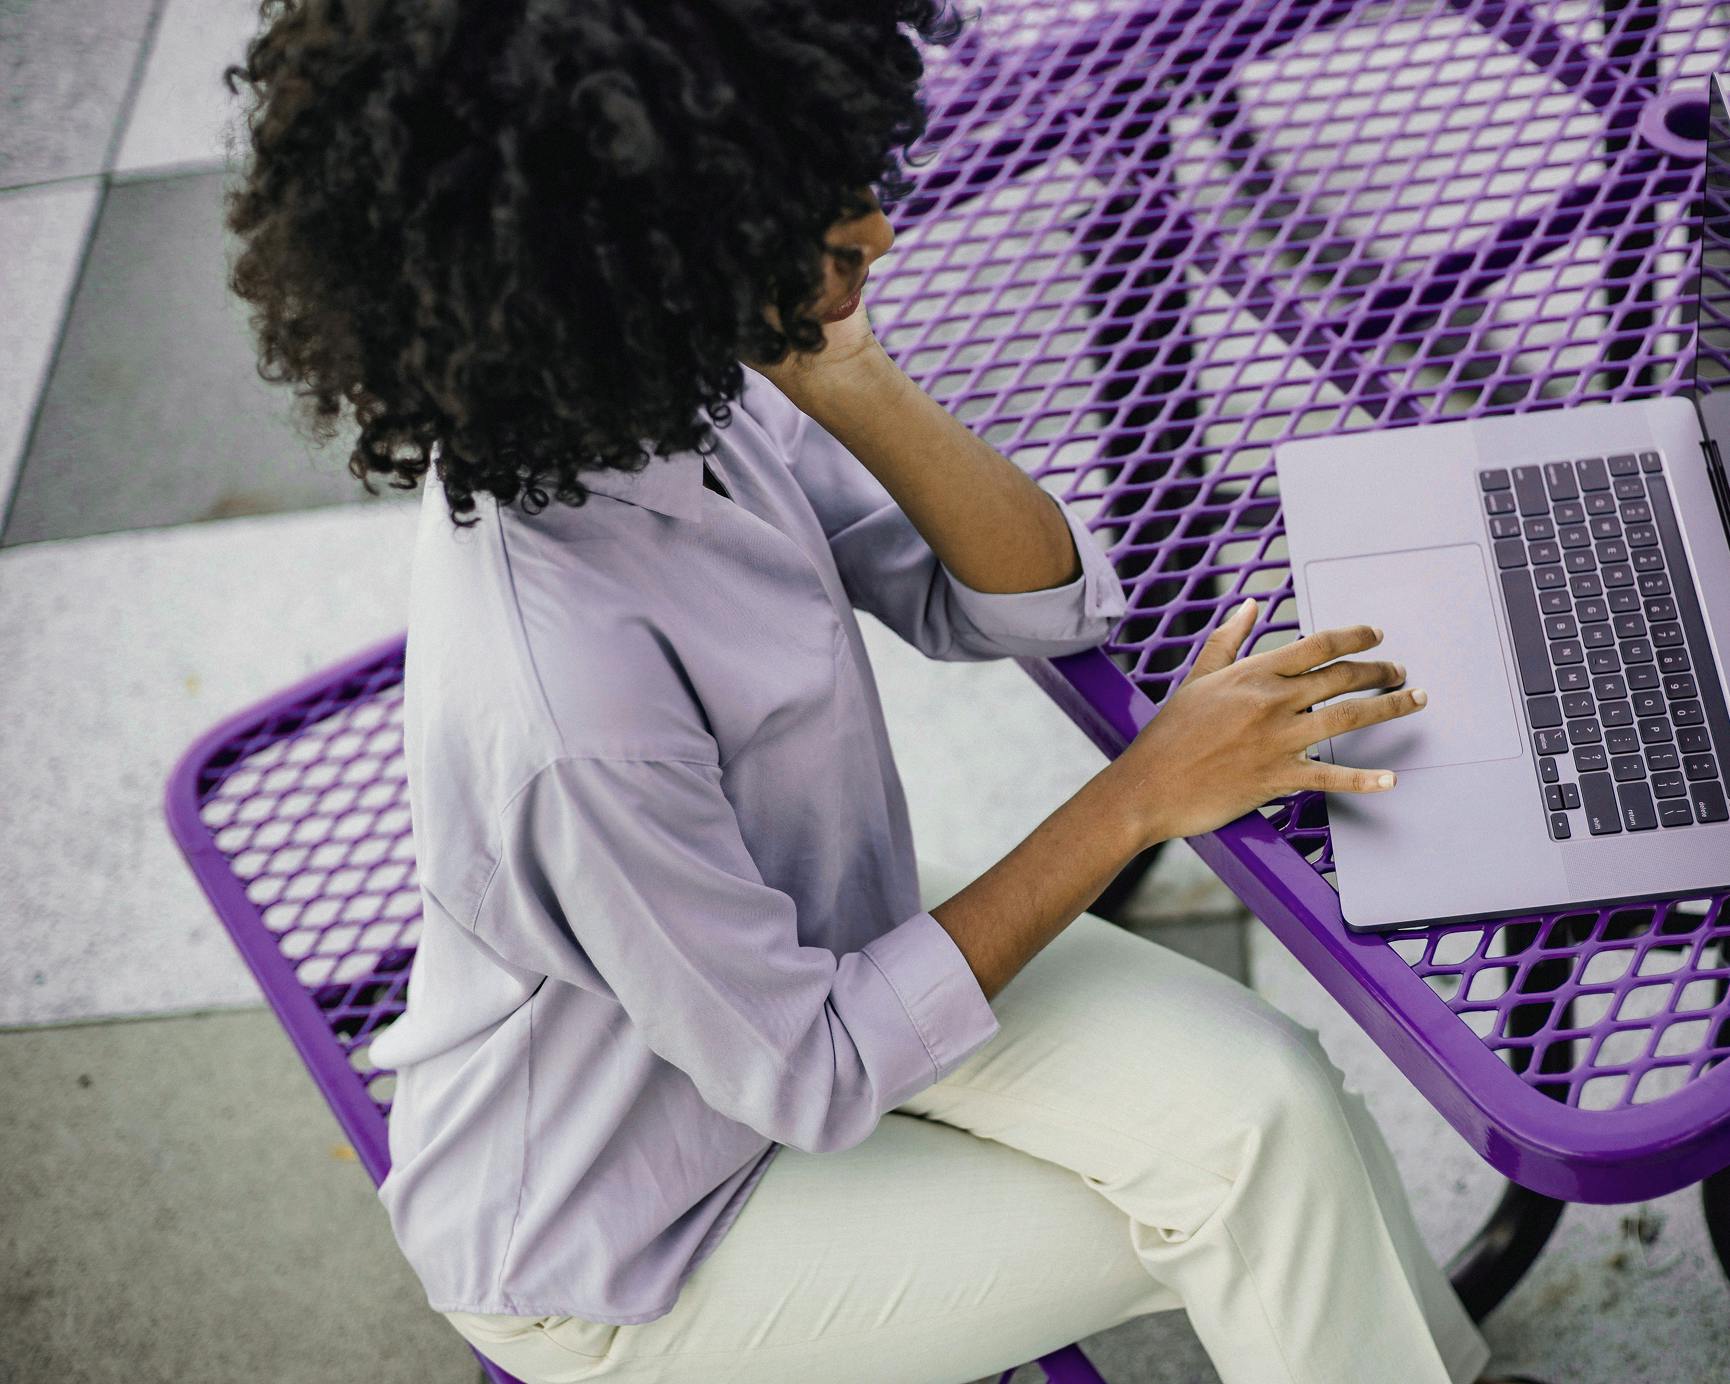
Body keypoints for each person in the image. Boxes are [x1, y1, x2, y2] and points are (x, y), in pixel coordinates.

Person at [220, 3, 1552, 1381]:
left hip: (804, 958)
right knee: (1262, 1185)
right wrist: (1141, 796)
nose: (880, 232)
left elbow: (1023, 601)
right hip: (637, 1240)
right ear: (638, 266)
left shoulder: (655, 394)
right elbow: (811, 1069)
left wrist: (843, 366)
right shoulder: (575, 706)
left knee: (1273, 1098)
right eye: (811, 210)